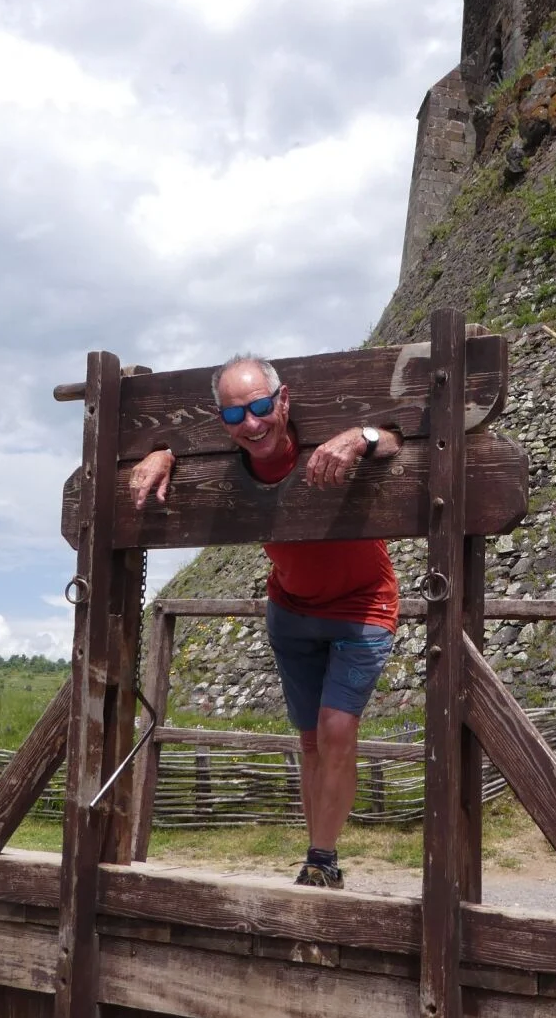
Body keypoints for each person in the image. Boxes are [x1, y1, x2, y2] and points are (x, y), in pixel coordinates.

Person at [130, 354, 400, 889]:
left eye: (259, 407)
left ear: (283, 401)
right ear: (220, 424)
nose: (251, 424)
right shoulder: (230, 451)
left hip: (363, 604)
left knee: (337, 728)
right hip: (292, 608)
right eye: (234, 417)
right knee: (307, 740)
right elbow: (170, 441)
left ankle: (321, 857)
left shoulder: (317, 435)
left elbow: (396, 438)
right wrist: (160, 450)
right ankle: (319, 858)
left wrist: (360, 436)